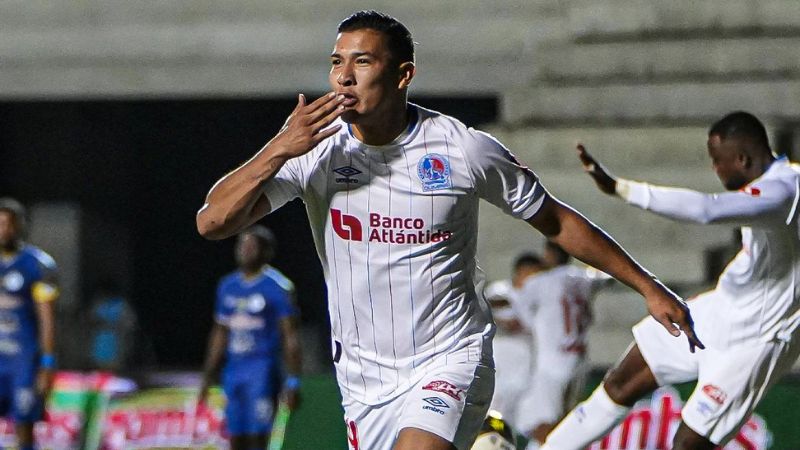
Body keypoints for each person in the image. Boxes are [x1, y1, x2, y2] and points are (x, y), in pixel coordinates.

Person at [195, 10, 699, 450]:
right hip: (363, 379)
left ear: (403, 74)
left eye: (362, 62)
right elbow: (212, 222)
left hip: (449, 358)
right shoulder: (316, 152)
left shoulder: (463, 150)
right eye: (336, 62)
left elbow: (557, 221)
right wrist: (279, 148)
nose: (343, 78)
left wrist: (648, 287)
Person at [541, 111, 800, 450]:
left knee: (687, 444)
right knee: (620, 384)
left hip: (757, 339)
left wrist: (622, 188)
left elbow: (706, 209)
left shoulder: (783, 191)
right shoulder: (778, 185)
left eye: (717, 160)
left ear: (742, 158)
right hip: (718, 311)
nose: (715, 169)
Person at [198, 225, 302, 450]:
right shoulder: (228, 286)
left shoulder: (278, 287)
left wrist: (293, 380)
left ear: (265, 252)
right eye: (241, 244)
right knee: (235, 435)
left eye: (251, 245)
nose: (244, 250)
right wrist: (208, 375)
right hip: (234, 370)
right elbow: (219, 333)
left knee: (259, 436)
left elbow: (290, 336)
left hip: (262, 369)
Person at [511, 242, 612, 450]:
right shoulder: (584, 278)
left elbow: (518, 311)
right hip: (580, 362)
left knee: (544, 425)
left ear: (548, 253)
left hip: (551, 362)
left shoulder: (539, 282)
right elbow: (608, 276)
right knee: (568, 421)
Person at [0, 198, 58, 450]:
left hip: (22, 359)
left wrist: (47, 362)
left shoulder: (37, 264)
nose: (3, 230)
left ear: (19, 226)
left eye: (7, 223)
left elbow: (46, 318)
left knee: (24, 425)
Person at [484, 278, 533, 431]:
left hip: (520, 415)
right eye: (497, 304)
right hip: (491, 415)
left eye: (504, 304)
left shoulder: (530, 342)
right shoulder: (486, 341)